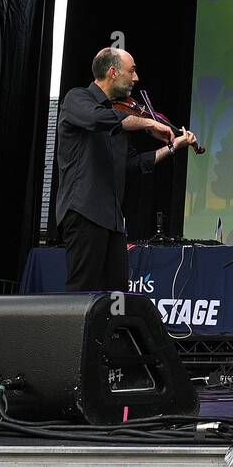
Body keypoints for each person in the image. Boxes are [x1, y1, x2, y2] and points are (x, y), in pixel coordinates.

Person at [55, 47, 197, 292]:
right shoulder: (77, 99)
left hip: (113, 221)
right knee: (82, 290)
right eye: (131, 71)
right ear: (112, 72)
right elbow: (97, 119)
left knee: (116, 294)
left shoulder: (120, 115)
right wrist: (148, 122)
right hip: (83, 211)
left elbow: (133, 165)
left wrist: (173, 147)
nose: (136, 78)